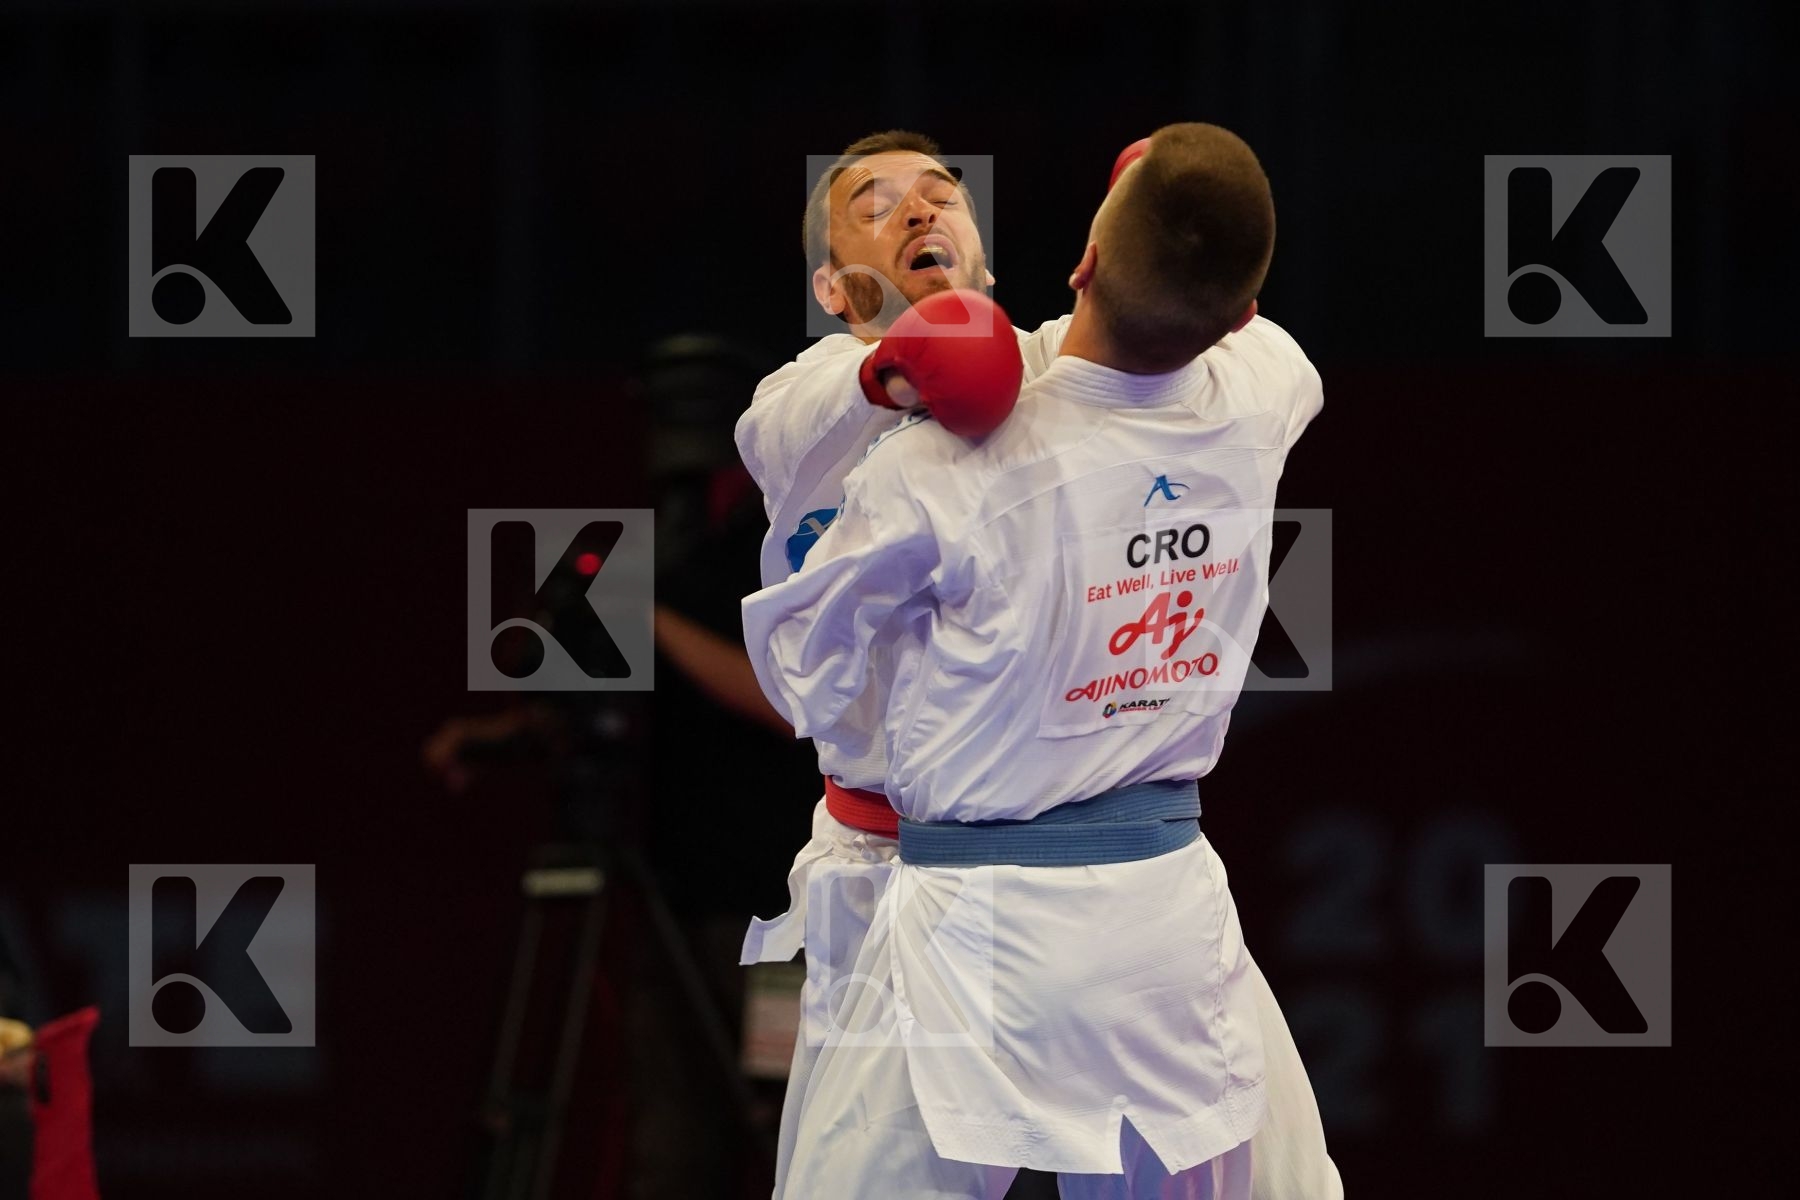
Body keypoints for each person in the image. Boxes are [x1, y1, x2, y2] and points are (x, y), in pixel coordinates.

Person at [737, 128, 1338, 1197]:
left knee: (1283, 1167)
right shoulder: (812, 404)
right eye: (875, 206)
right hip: (884, 864)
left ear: (1019, 259)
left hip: (1090, 850)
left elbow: (1153, 323)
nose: (919, 210)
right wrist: (888, 374)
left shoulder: (1054, 373)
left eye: (941, 193)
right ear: (834, 286)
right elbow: (775, 439)